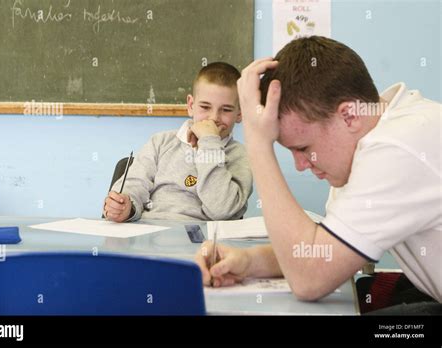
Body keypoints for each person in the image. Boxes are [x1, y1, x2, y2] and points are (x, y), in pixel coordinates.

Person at [195, 36, 441, 312]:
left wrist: (258, 143)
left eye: (303, 148)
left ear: (348, 115)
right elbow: (324, 251)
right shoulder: (366, 136)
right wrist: (249, 261)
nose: (301, 164)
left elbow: (309, 279)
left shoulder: (397, 148)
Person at [103, 62, 253, 222]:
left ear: (240, 113)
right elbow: (134, 185)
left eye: (226, 110)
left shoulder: (241, 156)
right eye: (205, 107)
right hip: (151, 232)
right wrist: (126, 206)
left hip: (202, 240)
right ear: (190, 105)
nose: (214, 118)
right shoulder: (161, 142)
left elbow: (222, 210)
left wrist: (209, 142)